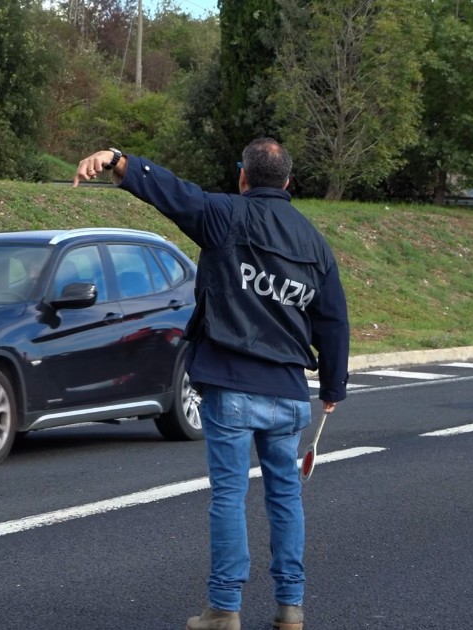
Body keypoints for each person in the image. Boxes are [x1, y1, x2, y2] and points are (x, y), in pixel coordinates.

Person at [74, 139, 350, 630]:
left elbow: (173, 193)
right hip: (288, 391)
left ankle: (224, 610)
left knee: (229, 496)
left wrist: (119, 161)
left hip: (231, 384)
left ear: (243, 175)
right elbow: (333, 321)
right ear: (288, 182)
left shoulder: (225, 215)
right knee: (285, 497)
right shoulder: (314, 242)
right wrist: (332, 386)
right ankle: (291, 608)